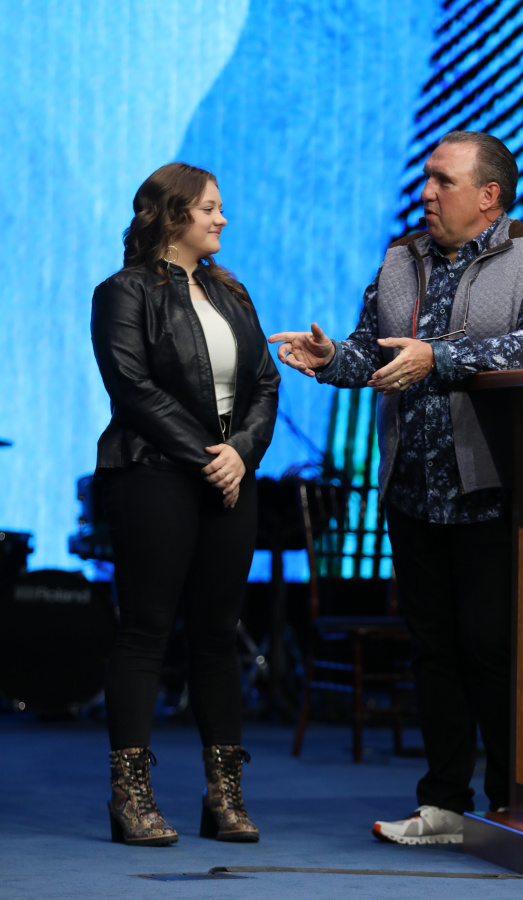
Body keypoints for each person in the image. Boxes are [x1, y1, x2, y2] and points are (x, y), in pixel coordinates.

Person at [269, 132, 523, 845]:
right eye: (427, 179)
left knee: (489, 648)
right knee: (432, 649)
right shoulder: (400, 257)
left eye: (443, 181)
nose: (426, 193)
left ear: (489, 196)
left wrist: (440, 357)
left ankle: (511, 802)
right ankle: (442, 805)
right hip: (411, 488)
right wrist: (330, 358)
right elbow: (369, 353)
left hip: (491, 488)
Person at [91, 162, 280, 846]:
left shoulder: (232, 291)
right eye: (209, 207)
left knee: (218, 635)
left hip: (231, 476)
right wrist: (210, 456)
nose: (221, 218)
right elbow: (133, 389)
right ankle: (130, 798)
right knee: (145, 631)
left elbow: (265, 383)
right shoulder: (123, 292)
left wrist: (241, 454)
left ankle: (223, 797)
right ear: (173, 216)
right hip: (153, 473)